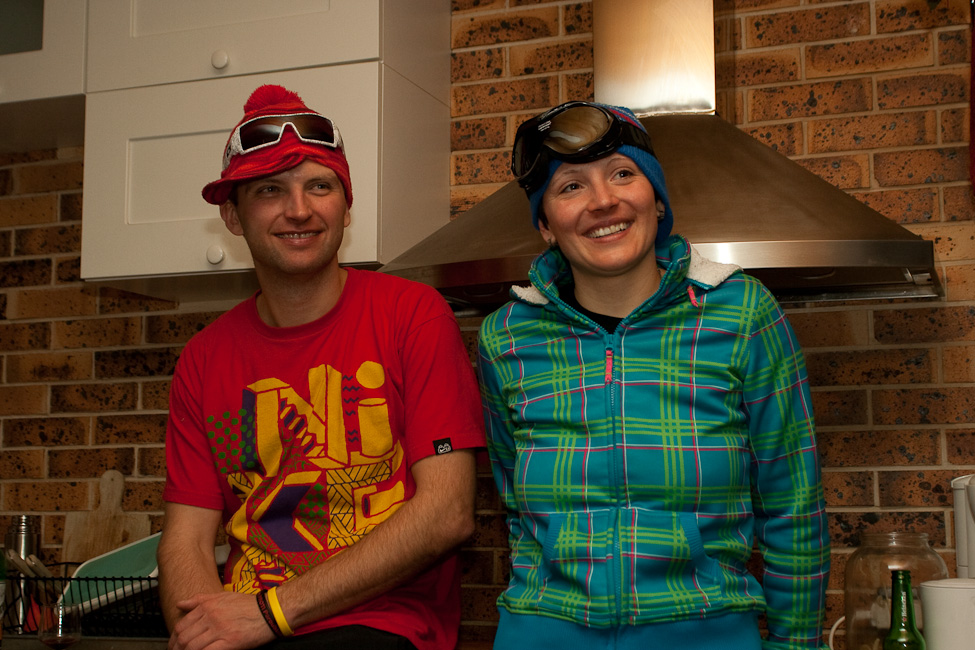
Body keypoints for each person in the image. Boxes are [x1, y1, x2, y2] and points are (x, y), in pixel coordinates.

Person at [476, 101, 830, 650]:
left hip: (707, 631)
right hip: (543, 632)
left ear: (657, 199)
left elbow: (793, 505)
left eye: (623, 174)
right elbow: (515, 505)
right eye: (570, 187)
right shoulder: (506, 337)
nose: (603, 201)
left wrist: (796, 644)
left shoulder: (742, 314)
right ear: (545, 225)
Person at [157, 84, 485, 650]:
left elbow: (447, 511)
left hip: (379, 624)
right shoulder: (204, 358)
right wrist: (201, 635)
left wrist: (269, 613)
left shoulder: (412, 315)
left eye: (319, 186)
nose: (299, 209)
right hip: (248, 626)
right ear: (232, 216)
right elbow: (184, 540)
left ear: (346, 207)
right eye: (270, 190)